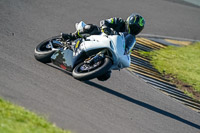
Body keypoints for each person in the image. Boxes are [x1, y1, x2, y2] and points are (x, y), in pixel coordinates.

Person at [61, 13, 145, 80]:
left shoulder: (131, 38)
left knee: (105, 76)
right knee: (91, 28)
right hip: (102, 36)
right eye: (133, 27)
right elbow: (104, 22)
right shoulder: (118, 21)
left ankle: (88, 65)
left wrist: (126, 52)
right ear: (128, 23)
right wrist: (105, 27)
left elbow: (127, 49)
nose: (134, 30)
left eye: (136, 29)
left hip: (113, 48)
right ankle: (72, 36)